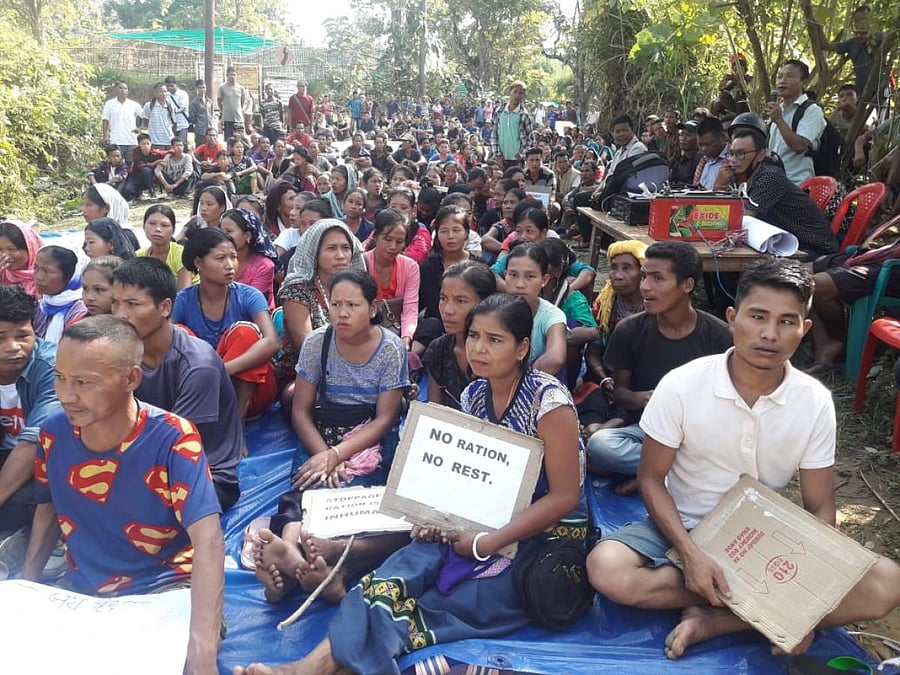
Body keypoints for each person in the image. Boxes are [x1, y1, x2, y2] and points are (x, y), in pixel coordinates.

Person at [235, 293, 586, 675]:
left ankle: (307, 668)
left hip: (544, 533)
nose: (479, 349)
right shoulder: (474, 395)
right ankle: (306, 666)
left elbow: (565, 497)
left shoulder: (548, 402)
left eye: (494, 339)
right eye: (474, 336)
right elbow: (471, 479)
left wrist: (487, 543)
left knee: (449, 601)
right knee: (397, 573)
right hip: (481, 520)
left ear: (521, 348)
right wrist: (436, 517)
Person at [586, 259, 900, 659]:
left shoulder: (814, 400)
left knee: (887, 583)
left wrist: (804, 606)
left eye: (787, 322)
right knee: (606, 568)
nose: (770, 334)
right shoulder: (683, 384)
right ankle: (757, 607)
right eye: (758, 317)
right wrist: (691, 555)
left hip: (765, 536)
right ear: (733, 319)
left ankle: (718, 620)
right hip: (681, 524)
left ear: (804, 329)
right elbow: (650, 478)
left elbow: (820, 506)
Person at [21, 315, 224, 674]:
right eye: (60, 377)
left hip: (165, 590)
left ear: (131, 378)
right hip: (82, 592)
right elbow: (47, 509)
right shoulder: (53, 433)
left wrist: (202, 645)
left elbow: (208, 540)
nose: (66, 395)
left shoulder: (173, 438)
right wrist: (28, 588)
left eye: (84, 382)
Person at [252, 269, 411, 604]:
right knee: (307, 488)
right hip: (322, 432)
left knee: (360, 500)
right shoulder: (317, 343)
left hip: (368, 438)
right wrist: (324, 454)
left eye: (353, 305)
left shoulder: (390, 348)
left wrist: (338, 455)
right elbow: (300, 411)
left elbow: (385, 419)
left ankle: (298, 562)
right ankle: (297, 559)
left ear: (372, 307)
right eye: (336, 304)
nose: (342, 313)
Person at [586, 242, 732, 481]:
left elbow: (727, 405)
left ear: (687, 285)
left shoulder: (719, 336)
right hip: (647, 430)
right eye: (645, 276)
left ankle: (650, 474)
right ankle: (669, 472)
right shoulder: (629, 329)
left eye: (658, 278)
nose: (645, 286)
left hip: (698, 437)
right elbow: (620, 392)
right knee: (601, 445)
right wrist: (643, 398)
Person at [111, 258, 244, 511]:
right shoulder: (122, 353)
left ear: (165, 307)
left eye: (132, 304)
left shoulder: (198, 365)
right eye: (115, 303)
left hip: (202, 475)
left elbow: (173, 445)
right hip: (142, 458)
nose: (120, 314)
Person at [172, 229, 279, 421]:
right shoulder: (183, 300)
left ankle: (236, 423)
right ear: (199, 263)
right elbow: (164, 340)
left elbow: (272, 342)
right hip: (203, 391)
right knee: (177, 333)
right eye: (220, 258)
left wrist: (222, 369)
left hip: (252, 394)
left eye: (233, 257)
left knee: (245, 332)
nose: (230, 265)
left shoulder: (249, 296)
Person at [0, 285, 60, 568]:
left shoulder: (52, 366)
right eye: (1, 338)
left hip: (43, 460)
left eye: (23, 335)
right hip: (5, 455)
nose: (13, 347)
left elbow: (33, 442)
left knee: (36, 499)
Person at [275, 219, 366, 394]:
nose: (341, 255)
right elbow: (307, 347)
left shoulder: (356, 288)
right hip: (306, 374)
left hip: (355, 366)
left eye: (346, 248)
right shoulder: (297, 290)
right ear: (314, 252)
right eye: (331, 248)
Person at [723, 128, 838, 259]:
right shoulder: (740, 176)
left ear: (760, 155)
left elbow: (742, 221)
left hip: (811, 248)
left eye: (740, 154)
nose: (733, 160)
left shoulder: (770, 177)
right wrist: (718, 185)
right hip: (779, 243)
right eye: (731, 153)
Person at [424, 260, 497, 409]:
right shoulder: (439, 349)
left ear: (485, 303)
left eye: (461, 301)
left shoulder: (501, 354)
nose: (448, 310)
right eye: (443, 299)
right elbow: (433, 412)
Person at [504, 242, 568, 377]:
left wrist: (518, 380)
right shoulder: (493, 310)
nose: (520, 284)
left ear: (544, 280)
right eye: (513, 275)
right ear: (505, 275)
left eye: (530, 276)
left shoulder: (552, 315)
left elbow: (555, 358)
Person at [363, 208, 420, 350]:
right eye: (387, 239)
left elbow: (410, 308)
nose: (393, 247)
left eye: (399, 241)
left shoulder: (411, 267)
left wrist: (405, 340)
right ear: (376, 236)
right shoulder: (361, 262)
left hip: (397, 327)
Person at [767, 60, 826, 185]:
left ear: (804, 82)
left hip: (797, 183)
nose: (782, 81)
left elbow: (800, 146)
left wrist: (779, 120)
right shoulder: (778, 110)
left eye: (790, 76)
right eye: (780, 76)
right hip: (773, 181)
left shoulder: (812, 110)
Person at [219, 208, 278, 309]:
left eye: (228, 231)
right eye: (221, 231)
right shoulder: (216, 260)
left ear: (247, 236)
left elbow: (251, 302)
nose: (222, 236)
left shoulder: (264, 266)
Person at [33, 245, 89, 343]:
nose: (39, 277)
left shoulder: (80, 310)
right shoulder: (42, 305)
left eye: (47, 271)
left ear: (71, 275)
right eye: (36, 268)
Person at [137, 204, 193, 290]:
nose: (157, 229)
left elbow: (184, 292)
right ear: (144, 226)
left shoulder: (182, 254)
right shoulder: (139, 256)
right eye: (152, 223)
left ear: (173, 230)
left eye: (164, 225)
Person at [490, 80, 534, 167]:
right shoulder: (500, 111)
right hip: (501, 159)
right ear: (510, 92)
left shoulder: (524, 115)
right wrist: (497, 154)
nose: (517, 95)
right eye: (515, 92)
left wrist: (522, 154)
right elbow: (494, 134)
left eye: (520, 93)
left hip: (517, 160)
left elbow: (530, 139)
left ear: (523, 96)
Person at [0, 219, 44, 298]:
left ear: (30, 248)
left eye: (12, 249)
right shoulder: (3, 274)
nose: (4, 256)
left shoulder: (49, 275)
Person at [101, 81, 142, 161]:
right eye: (120, 88)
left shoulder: (134, 104)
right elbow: (105, 119)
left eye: (125, 88)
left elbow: (143, 116)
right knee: (116, 163)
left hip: (131, 140)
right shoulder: (109, 104)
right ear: (116, 90)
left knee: (131, 163)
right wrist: (105, 136)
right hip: (116, 140)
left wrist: (139, 128)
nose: (123, 90)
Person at [122, 134, 167, 201]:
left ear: (151, 144)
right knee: (128, 191)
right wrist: (156, 162)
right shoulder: (136, 152)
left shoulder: (155, 152)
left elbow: (170, 152)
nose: (146, 146)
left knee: (147, 171)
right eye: (143, 144)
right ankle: (137, 194)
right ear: (139, 144)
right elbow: (141, 165)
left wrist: (166, 159)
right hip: (136, 177)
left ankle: (152, 193)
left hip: (151, 178)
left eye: (148, 144)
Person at [694, 117, 729, 189]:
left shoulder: (733, 160)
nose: (703, 149)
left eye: (708, 144)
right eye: (700, 144)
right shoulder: (702, 161)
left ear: (722, 137)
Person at [141, 83, 176, 150]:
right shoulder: (149, 106)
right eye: (161, 91)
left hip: (169, 140)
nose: (164, 94)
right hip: (154, 141)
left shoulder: (170, 106)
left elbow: (173, 122)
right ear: (155, 93)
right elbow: (146, 120)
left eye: (165, 91)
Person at [219, 67, 250, 140]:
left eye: (234, 75)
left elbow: (243, 101)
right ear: (227, 76)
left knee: (240, 140)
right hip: (227, 119)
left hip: (238, 119)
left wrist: (240, 110)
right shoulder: (222, 87)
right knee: (229, 140)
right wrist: (224, 110)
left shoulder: (240, 88)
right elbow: (219, 101)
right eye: (231, 75)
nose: (232, 77)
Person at [669, 120, 701, 187]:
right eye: (681, 134)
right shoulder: (679, 160)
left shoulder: (701, 161)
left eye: (688, 135)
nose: (683, 138)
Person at [163, 76, 191, 144]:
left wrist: (173, 111)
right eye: (168, 86)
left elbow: (183, 108)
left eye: (171, 86)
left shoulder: (183, 94)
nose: (170, 88)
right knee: (171, 144)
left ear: (176, 84)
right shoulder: (166, 95)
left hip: (182, 124)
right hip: (171, 125)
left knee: (182, 144)